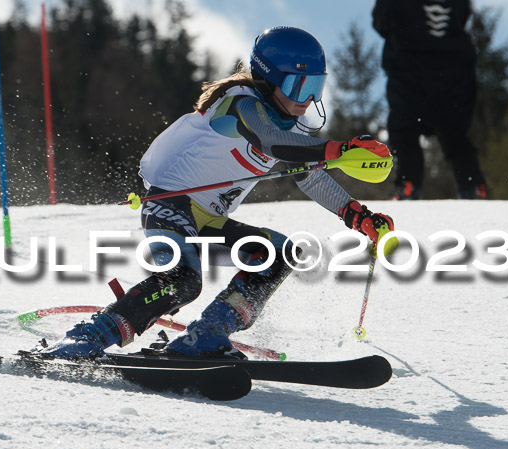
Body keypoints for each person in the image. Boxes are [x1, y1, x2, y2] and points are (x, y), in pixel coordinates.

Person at [38, 26, 397, 360]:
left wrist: (358, 215)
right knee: (184, 280)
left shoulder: (294, 125)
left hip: (208, 218)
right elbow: (269, 140)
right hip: (169, 202)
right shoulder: (240, 104)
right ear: (268, 80)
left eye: (314, 89)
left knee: (277, 254)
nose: (306, 100)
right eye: (297, 87)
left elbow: (311, 176)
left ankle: (205, 337)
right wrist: (337, 149)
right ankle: (86, 338)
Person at [373, 0, 487, 200]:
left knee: (404, 130)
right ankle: (473, 187)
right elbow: (463, 16)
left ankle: (408, 185)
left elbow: (381, 22)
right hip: (453, 74)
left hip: (410, 73)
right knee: (455, 134)